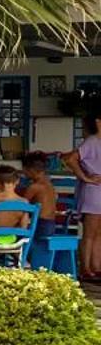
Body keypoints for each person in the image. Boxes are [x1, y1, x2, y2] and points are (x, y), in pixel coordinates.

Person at [65, 113, 101, 280]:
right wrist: (85, 177)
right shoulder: (92, 141)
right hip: (93, 190)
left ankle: (96, 267)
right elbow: (71, 159)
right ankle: (85, 268)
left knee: (99, 233)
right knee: (90, 232)